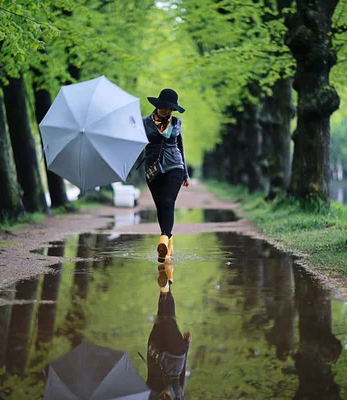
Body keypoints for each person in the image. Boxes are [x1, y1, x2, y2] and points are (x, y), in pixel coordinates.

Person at [143, 88, 190, 263]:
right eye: (166, 108)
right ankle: (168, 244)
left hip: (174, 166)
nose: (168, 112)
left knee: (169, 201)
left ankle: (164, 238)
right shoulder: (144, 123)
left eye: (171, 109)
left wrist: (185, 172)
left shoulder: (176, 123)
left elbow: (180, 147)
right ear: (158, 106)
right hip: (153, 169)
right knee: (160, 206)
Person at [146, 266, 191, 400]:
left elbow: (181, 378)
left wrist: (187, 346)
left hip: (176, 356)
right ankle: (166, 285)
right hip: (161, 353)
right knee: (164, 316)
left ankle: (167, 283)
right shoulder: (149, 395)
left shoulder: (179, 395)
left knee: (166, 315)